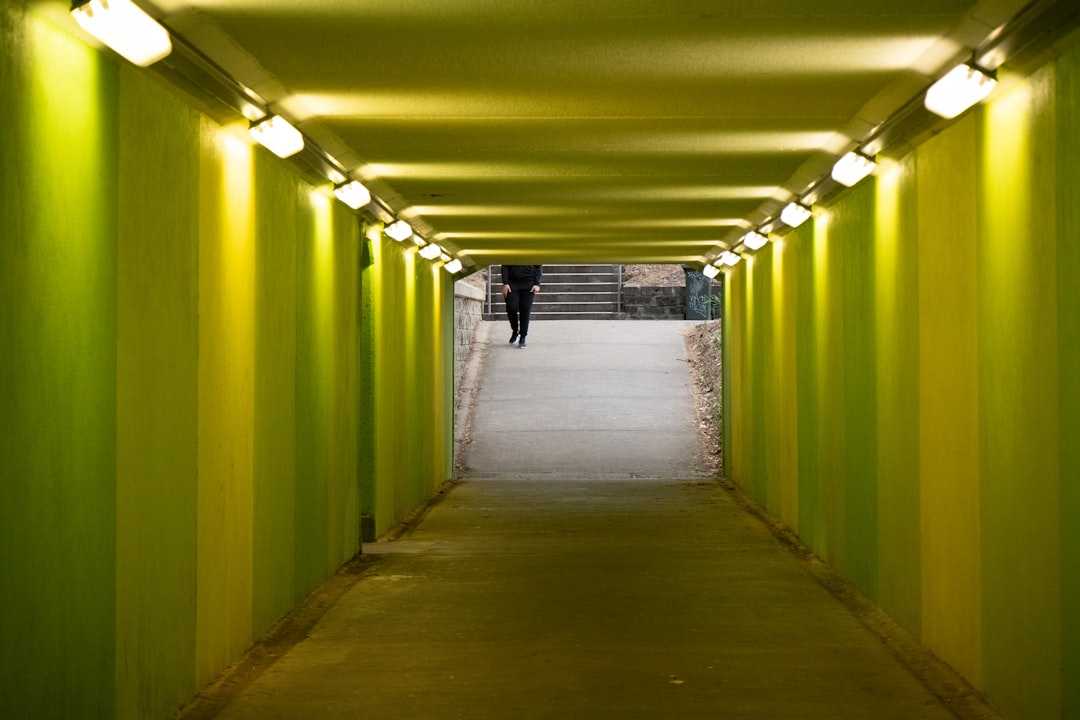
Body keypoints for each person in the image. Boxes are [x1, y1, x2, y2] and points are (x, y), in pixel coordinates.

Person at [501, 264, 542, 349]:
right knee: (511, 308)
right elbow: (504, 265)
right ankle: (515, 330)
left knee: (525, 310)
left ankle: (523, 337)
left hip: (529, 283)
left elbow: (538, 266)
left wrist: (537, 283)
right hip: (512, 283)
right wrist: (505, 283)